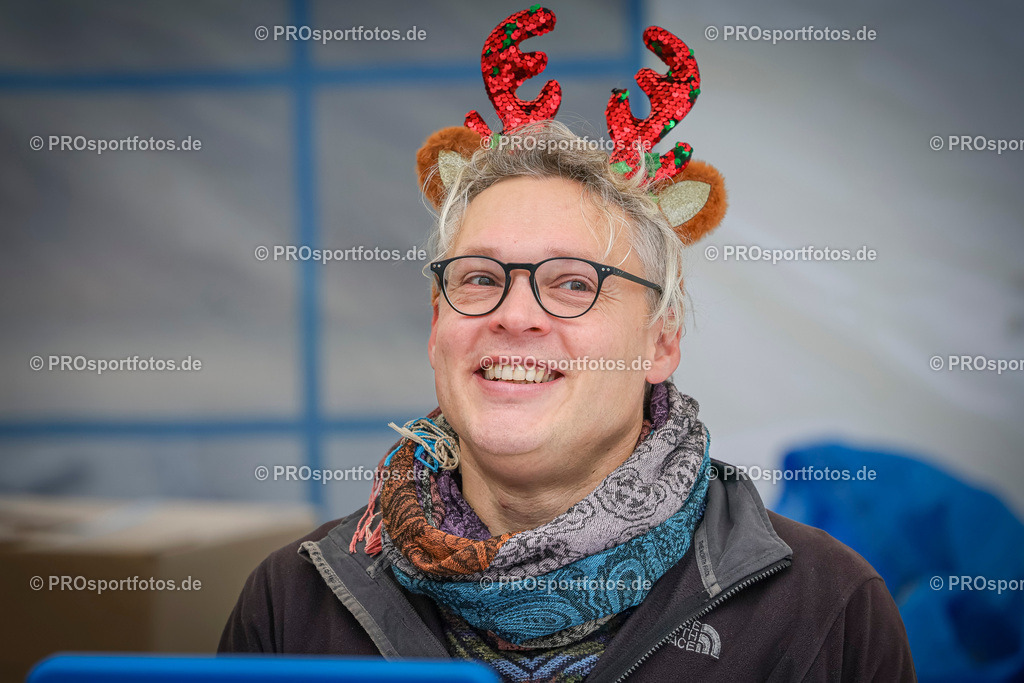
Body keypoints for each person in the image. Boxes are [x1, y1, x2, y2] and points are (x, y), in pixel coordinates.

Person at [220, 8, 916, 682]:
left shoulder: (827, 611)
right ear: (438, 327)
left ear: (661, 343)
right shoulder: (293, 603)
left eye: (574, 283)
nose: (515, 314)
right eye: (481, 277)